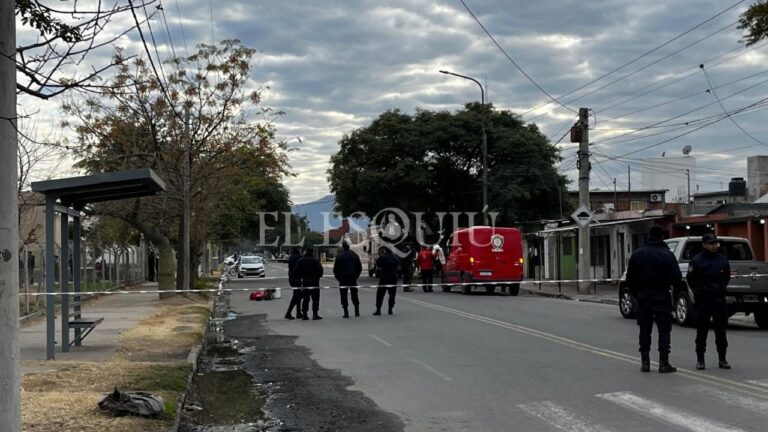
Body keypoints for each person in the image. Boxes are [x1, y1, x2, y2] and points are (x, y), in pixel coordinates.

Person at [626, 226, 683, 373]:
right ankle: (664, 363)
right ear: (662, 237)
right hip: (662, 295)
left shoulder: (638, 254)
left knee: (645, 330)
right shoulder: (667, 255)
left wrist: (637, 295)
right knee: (664, 330)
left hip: (643, 296)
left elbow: (630, 279)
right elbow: (677, 278)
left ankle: (645, 363)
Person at [686, 233, 731, 370]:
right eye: (711, 243)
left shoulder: (722, 259)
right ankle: (700, 359)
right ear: (704, 245)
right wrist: (700, 292)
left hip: (718, 299)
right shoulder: (697, 260)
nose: (713, 246)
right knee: (702, 331)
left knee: (721, 331)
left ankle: (722, 359)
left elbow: (726, 277)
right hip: (704, 301)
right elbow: (691, 279)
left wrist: (721, 288)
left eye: (715, 243)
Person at [334, 242, 363, 318]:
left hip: (343, 279)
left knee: (344, 295)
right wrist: (356, 276)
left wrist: (339, 278)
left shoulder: (339, 256)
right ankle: (357, 311)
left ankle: (346, 312)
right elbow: (359, 267)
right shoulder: (355, 255)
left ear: (343, 247)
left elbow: (336, 269)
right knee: (354, 294)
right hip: (353, 278)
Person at [295, 248, 324, 320]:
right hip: (315, 281)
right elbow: (320, 270)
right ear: (312, 253)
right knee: (315, 299)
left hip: (305, 282)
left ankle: (304, 314)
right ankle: (315, 314)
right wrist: (318, 277)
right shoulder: (315, 260)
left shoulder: (301, 260)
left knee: (305, 299)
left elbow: (296, 271)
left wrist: (299, 278)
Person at [374, 247, 400, 315]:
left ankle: (378, 309)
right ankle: (390, 309)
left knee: (380, 294)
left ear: (385, 251)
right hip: (393, 277)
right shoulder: (395, 258)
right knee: (392, 294)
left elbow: (378, 264)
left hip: (384, 277)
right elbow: (398, 264)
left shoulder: (382, 257)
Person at [284, 247, 304, 320]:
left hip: (291, 278)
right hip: (297, 278)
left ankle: (298, 312)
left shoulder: (291, 257)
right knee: (297, 296)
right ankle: (289, 313)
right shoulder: (299, 257)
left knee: (297, 295)